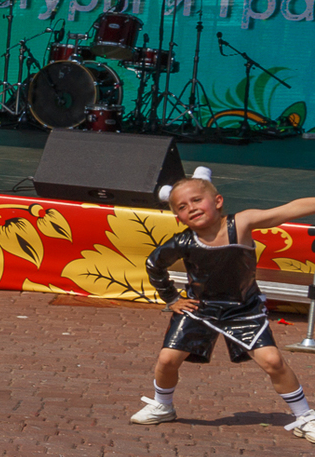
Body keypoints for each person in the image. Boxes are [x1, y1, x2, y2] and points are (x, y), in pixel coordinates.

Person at [131, 174, 315, 433]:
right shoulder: (183, 242)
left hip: (243, 309)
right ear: (178, 218)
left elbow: (288, 210)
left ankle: (305, 416)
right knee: (167, 360)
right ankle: (163, 405)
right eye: (182, 207)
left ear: (217, 201)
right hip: (200, 309)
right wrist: (172, 299)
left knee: (272, 361)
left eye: (197, 200)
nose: (191, 207)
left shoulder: (241, 224)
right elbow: (154, 264)